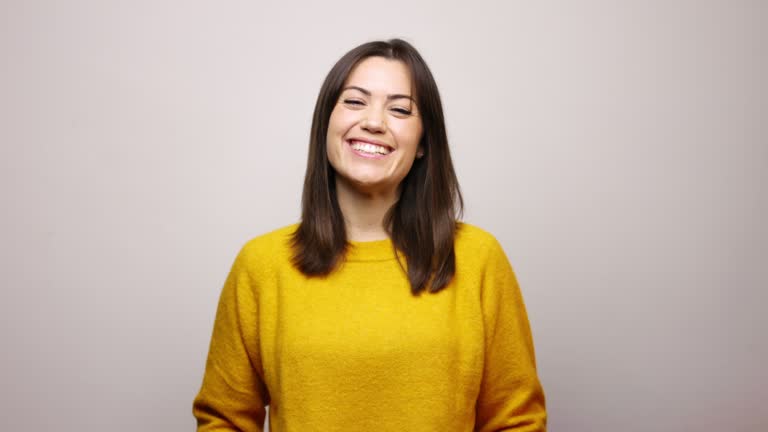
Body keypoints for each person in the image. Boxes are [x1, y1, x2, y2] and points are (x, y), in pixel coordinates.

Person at [192, 38, 547, 431]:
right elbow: (223, 419)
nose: (374, 122)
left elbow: (516, 420)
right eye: (355, 102)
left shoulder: (478, 258)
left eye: (399, 109)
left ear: (424, 142)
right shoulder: (260, 265)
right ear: (326, 123)